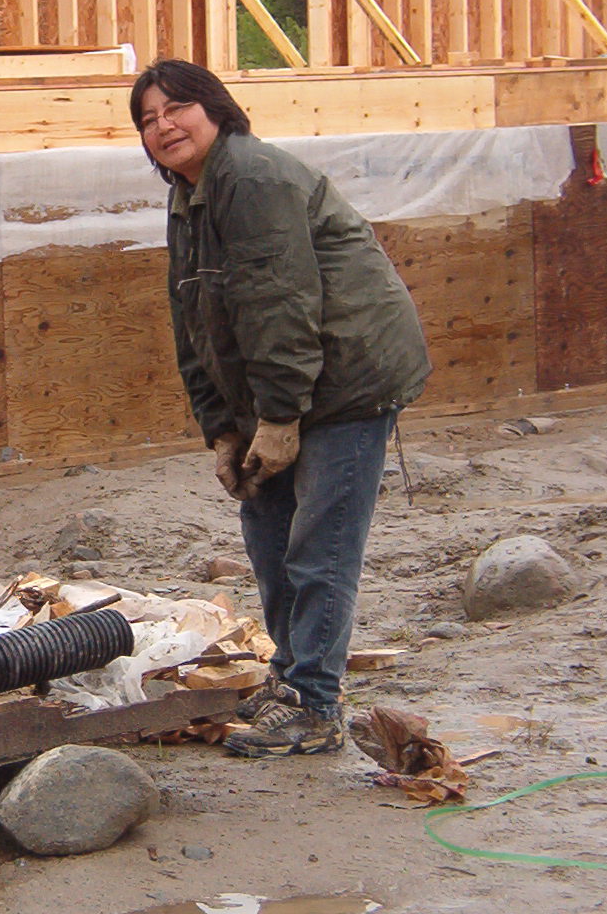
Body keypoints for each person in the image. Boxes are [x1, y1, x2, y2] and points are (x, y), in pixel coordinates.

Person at [130, 59, 430, 758]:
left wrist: (281, 417)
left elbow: (281, 304)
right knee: (268, 534)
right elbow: (194, 324)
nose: (163, 126)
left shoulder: (254, 179)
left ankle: (315, 704)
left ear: (216, 109)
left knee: (318, 544)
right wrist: (224, 431)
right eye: (147, 119)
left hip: (349, 378)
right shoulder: (191, 195)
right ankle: (291, 675)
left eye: (176, 108)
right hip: (286, 385)